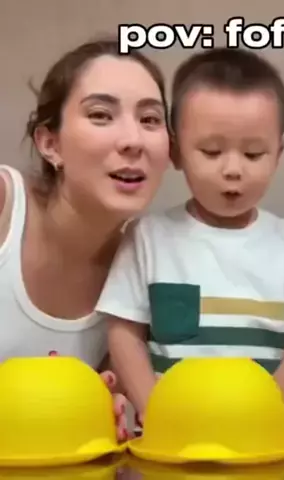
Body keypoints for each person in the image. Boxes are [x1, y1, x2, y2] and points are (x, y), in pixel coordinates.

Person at [96, 47, 284, 428]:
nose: (233, 169)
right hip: (170, 437)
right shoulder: (147, 237)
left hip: (263, 437)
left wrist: (271, 402)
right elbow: (124, 333)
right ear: (175, 151)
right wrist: (154, 409)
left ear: (278, 154)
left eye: (254, 154)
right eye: (211, 151)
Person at [1, 37, 170, 440]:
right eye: (100, 115)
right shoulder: (4, 204)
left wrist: (99, 410)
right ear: (50, 143)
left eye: (150, 119)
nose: (133, 140)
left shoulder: (146, 262)